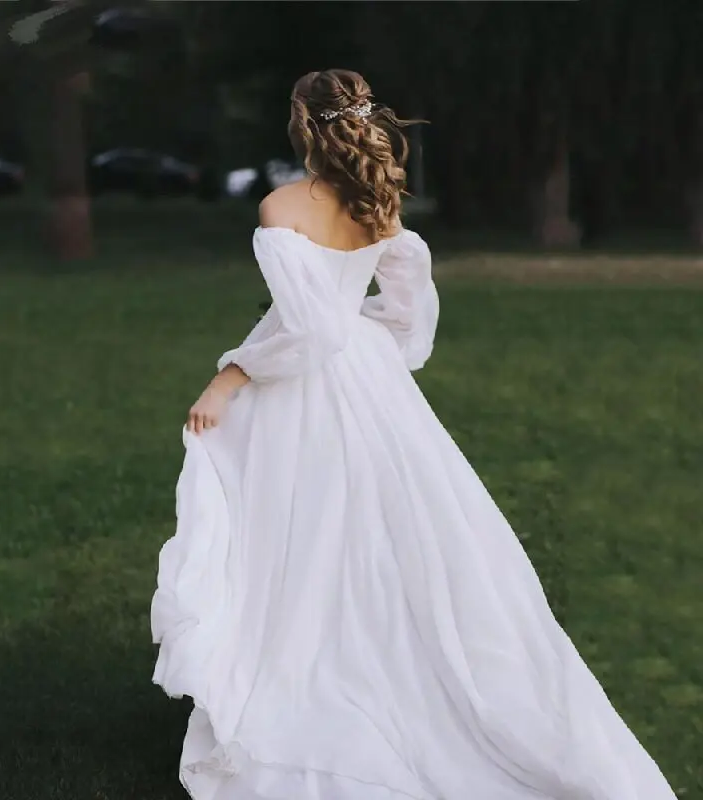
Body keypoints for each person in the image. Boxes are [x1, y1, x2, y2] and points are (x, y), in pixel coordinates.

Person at [150, 69, 678, 800]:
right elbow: (405, 310)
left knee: (299, 535)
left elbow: (305, 328)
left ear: (303, 125)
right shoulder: (377, 204)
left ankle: (312, 677)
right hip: (368, 382)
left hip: (309, 391)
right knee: (391, 539)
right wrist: (377, 349)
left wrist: (231, 375)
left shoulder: (282, 207)